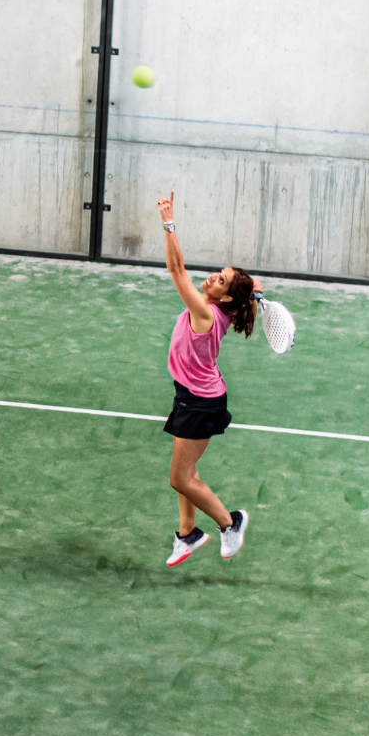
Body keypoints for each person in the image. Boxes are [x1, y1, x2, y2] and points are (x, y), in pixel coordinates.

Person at [157, 192, 258, 567]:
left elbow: (176, 270)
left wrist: (169, 224)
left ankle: (230, 523)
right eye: (222, 271)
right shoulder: (226, 309)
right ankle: (187, 535)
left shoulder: (205, 313)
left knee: (180, 479)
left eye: (222, 280)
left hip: (200, 403)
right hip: (193, 395)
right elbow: (251, 287)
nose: (214, 276)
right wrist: (250, 290)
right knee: (188, 471)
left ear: (224, 299)